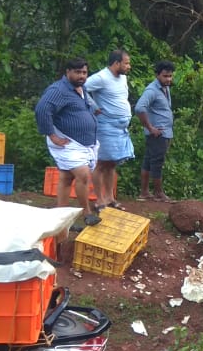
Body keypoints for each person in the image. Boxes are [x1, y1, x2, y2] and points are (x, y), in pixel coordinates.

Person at [34, 58, 101, 228]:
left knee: (66, 177)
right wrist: (51, 135)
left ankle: (60, 220)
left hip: (83, 143)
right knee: (83, 175)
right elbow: (42, 109)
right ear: (68, 72)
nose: (81, 76)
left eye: (84, 72)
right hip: (67, 142)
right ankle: (87, 213)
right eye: (77, 72)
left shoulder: (81, 88)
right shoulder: (59, 90)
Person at [84, 49, 134, 210]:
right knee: (101, 163)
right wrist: (93, 105)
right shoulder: (101, 77)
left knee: (112, 164)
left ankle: (110, 198)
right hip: (106, 125)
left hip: (120, 127)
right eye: (126, 63)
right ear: (116, 63)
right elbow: (82, 88)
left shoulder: (123, 78)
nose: (129, 66)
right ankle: (99, 200)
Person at [134, 60, 176, 202]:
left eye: (170, 76)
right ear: (158, 75)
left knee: (148, 161)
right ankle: (158, 193)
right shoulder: (152, 90)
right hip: (157, 134)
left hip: (163, 133)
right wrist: (150, 127)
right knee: (157, 162)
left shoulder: (165, 88)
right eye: (165, 76)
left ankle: (144, 192)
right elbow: (140, 108)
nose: (168, 79)